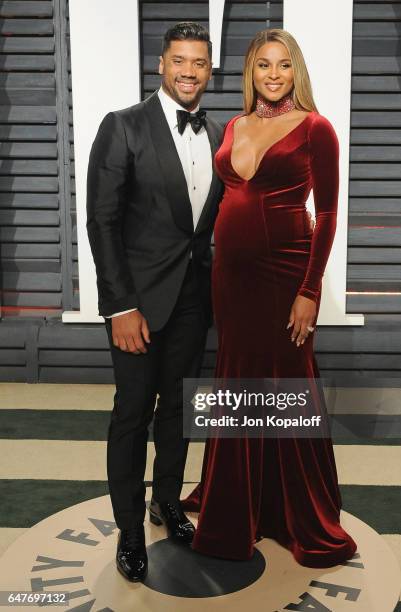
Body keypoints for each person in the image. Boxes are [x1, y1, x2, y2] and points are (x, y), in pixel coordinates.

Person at [182, 29, 358, 568]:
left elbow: (326, 215)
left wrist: (309, 290)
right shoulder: (234, 125)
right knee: (236, 380)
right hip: (231, 281)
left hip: (286, 279)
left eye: (283, 65)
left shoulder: (316, 128)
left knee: (287, 385)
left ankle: (296, 509)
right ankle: (238, 501)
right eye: (264, 65)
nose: (274, 74)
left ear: (295, 71)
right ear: (250, 72)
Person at [86, 23, 224, 582]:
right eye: (179, 61)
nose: (188, 71)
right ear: (161, 65)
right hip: (137, 307)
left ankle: (166, 501)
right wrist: (120, 307)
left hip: (194, 301)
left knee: (179, 411)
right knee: (131, 415)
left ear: (209, 70)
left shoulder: (220, 134)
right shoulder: (123, 127)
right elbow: (103, 221)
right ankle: (128, 528)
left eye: (199, 62)